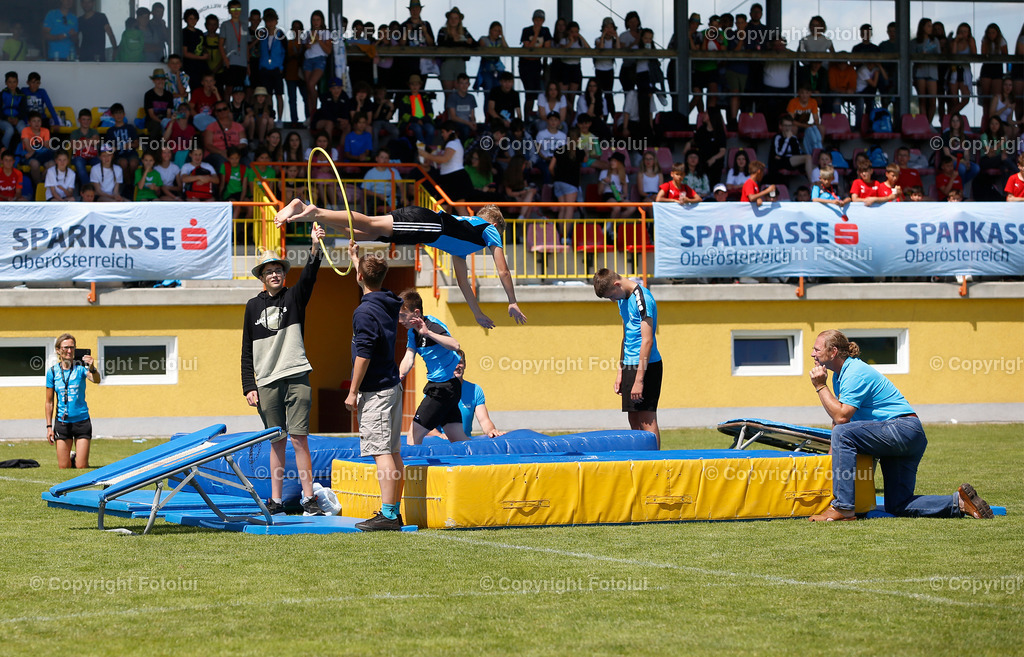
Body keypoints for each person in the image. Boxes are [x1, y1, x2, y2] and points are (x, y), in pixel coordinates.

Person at [808, 329, 993, 521]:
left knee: (843, 432)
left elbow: (842, 418)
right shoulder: (840, 375)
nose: (812, 354)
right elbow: (838, 416)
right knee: (898, 504)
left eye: (816, 349)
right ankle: (960, 503)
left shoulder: (854, 372)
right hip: (907, 436)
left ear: (833, 351)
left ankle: (843, 508)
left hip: (900, 429)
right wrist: (831, 458)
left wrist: (820, 386)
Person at [276, 201, 526, 328]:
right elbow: (502, 269)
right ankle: (312, 210)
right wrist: (512, 300)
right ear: (496, 227)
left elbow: (463, 282)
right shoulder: (489, 230)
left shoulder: (464, 243)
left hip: (423, 229)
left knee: (365, 233)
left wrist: (477, 313)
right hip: (427, 225)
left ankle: (313, 211)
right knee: (371, 225)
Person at [241, 230, 325, 517]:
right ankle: (275, 501)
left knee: (299, 438)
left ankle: (309, 498)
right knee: (276, 440)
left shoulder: (295, 298)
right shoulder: (252, 306)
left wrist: (315, 247)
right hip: (265, 381)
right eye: (269, 271)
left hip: (297, 373)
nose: (275, 274)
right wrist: (248, 386)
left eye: (279, 270)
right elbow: (246, 351)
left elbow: (310, 276)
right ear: (262, 278)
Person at [347, 241, 406, 531]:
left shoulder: (363, 312)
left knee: (382, 452)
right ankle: (393, 511)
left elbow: (364, 354)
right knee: (393, 451)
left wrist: (352, 391)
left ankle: (389, 515)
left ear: (359, 276)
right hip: (392, 386)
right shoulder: (388, 301)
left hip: (376, 391)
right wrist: (357, 259)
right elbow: (370, 285)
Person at [592, 268, 662, 446]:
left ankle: (655, 467)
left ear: (617, 284)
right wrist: (620, 371)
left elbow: (647, 341)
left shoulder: (643, 298)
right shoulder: (622, 299)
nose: (612, 300)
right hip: (629, 365)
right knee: (634, 419)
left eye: (611, 296)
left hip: (647, 366)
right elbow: (626, 337)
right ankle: (640, 462)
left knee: (647, 419)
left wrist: (639, 380)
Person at [397, 289, 469, 445]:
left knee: (413, 435)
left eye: (403, 316)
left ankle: (412, 469)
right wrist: (399, 376)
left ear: (416, 313)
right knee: (457, 438)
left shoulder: (433, 325)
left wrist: (428, 332)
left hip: (443, 388)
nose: (400, 320)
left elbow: (455, 344)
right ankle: (480, 461)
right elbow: (409, 357)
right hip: (447, 388)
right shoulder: (412, 333)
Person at [46, 333, 100, 469]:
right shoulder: (52, 372)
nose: (69, 351)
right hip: (63, 423)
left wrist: (92, 368)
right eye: (65, 347)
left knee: (81, 466)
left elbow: (97, 380)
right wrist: (49, 427)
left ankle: (77, 458)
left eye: (72, 347)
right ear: (58, 350)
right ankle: (71, 456)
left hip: (82, 421)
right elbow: (49, 402)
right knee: (64, 467)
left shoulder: (81, 369)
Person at [519, 10, 553, 117]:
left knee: (537, 92)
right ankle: (526, 118)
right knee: (529, 93)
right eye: (536, 19)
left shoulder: (546, 31)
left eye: (541, 20)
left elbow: (547, 47)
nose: (538, 22)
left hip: (537, 64)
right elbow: (528, 47)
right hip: (525, 64)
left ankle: (539, 115)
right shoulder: (527, 30)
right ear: (533, 20)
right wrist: (536, 34)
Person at [69, 108, 101, 190]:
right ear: (79, 120)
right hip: (79, 157)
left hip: (93, 157)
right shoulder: (75, 132)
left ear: (91, 120)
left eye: (88, 119)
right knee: (79, 164)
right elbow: (74, 146)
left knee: (99, 164)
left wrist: (82, 142)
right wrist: (90, 141)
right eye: (83, 119)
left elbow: (96, 141)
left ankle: (98, 190)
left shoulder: (94, 131)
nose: (86, 122)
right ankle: (88, 190)